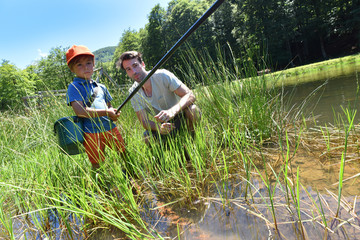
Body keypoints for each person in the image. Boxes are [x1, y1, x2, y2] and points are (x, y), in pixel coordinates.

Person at [116, 51, 201, 145]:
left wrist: (173, 111)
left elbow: (190, 95)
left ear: (143, 64)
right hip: (163, 124)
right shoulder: (133, 92)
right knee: (147, 137)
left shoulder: (162, 75)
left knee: (193, 110)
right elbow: (144, 121)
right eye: (128, 69)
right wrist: (158, 128)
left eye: (135, 65)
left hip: (181, 115)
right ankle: (167, 154)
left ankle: (192, 142)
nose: (134, 71)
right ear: (127, 73)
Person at [66, 45, 126, 169]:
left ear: (94, 64)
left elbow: (110, 106)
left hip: (110, 128)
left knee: (124, 154)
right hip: (91, 132)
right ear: (72, 69)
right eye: (79, 65)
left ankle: (131, 178)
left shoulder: (101, 87)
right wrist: (107, 112)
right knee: (97, 163)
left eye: (88, 63)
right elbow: (80, 112)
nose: (86, 68)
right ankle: (101, 186)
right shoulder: (74, 87)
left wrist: (114, 115)